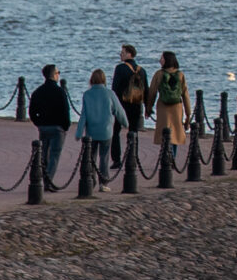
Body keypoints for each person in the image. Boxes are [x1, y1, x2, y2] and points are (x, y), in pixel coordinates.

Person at [77, 69, 122, 188]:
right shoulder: (110, 93)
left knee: (91, 157)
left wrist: (79, 132)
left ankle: (90, 180)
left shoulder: (87, 94)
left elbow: (83, 115)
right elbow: (118, 110)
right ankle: (104, 182)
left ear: (91, 80)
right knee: (104, 158)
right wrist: (125, 123)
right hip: (106, 131)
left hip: (91, 132)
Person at [29, 64, 72, 183]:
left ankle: (41, 179)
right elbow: (65, 110)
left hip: (43, 127)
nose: (59, 75)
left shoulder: (38, 92)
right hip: (57, 128)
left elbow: (32, 111)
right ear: (53, 75)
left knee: (43, 155)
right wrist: (65, 126)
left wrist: (38, 123)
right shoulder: (60, 92)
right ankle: (48, 181)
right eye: (58, 73)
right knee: (54, 155)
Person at [110, 44, 148, 174]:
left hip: (121, 105)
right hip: (136, 105)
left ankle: (116, 160)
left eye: (123, 52)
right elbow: (146, 90)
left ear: (129, 54)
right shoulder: (142, 70)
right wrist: (148, 108)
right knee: (133, 132)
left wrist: (112, 105)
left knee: (115, 132)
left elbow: (114, 88)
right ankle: (132, 157)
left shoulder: (120, 68)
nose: (121, 54)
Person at [151, 52, 190, 167]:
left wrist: (148, 108)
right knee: (175, 133)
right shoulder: (180, 75)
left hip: (163, 106)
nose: (160, 60)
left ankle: (166, 157)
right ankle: (172, 157)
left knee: (164, 133)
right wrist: (188, 113)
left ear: (166, 60)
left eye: (162, 58)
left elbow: (152, 92)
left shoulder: (159, 74)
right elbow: (185, 94)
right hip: (177, 107)